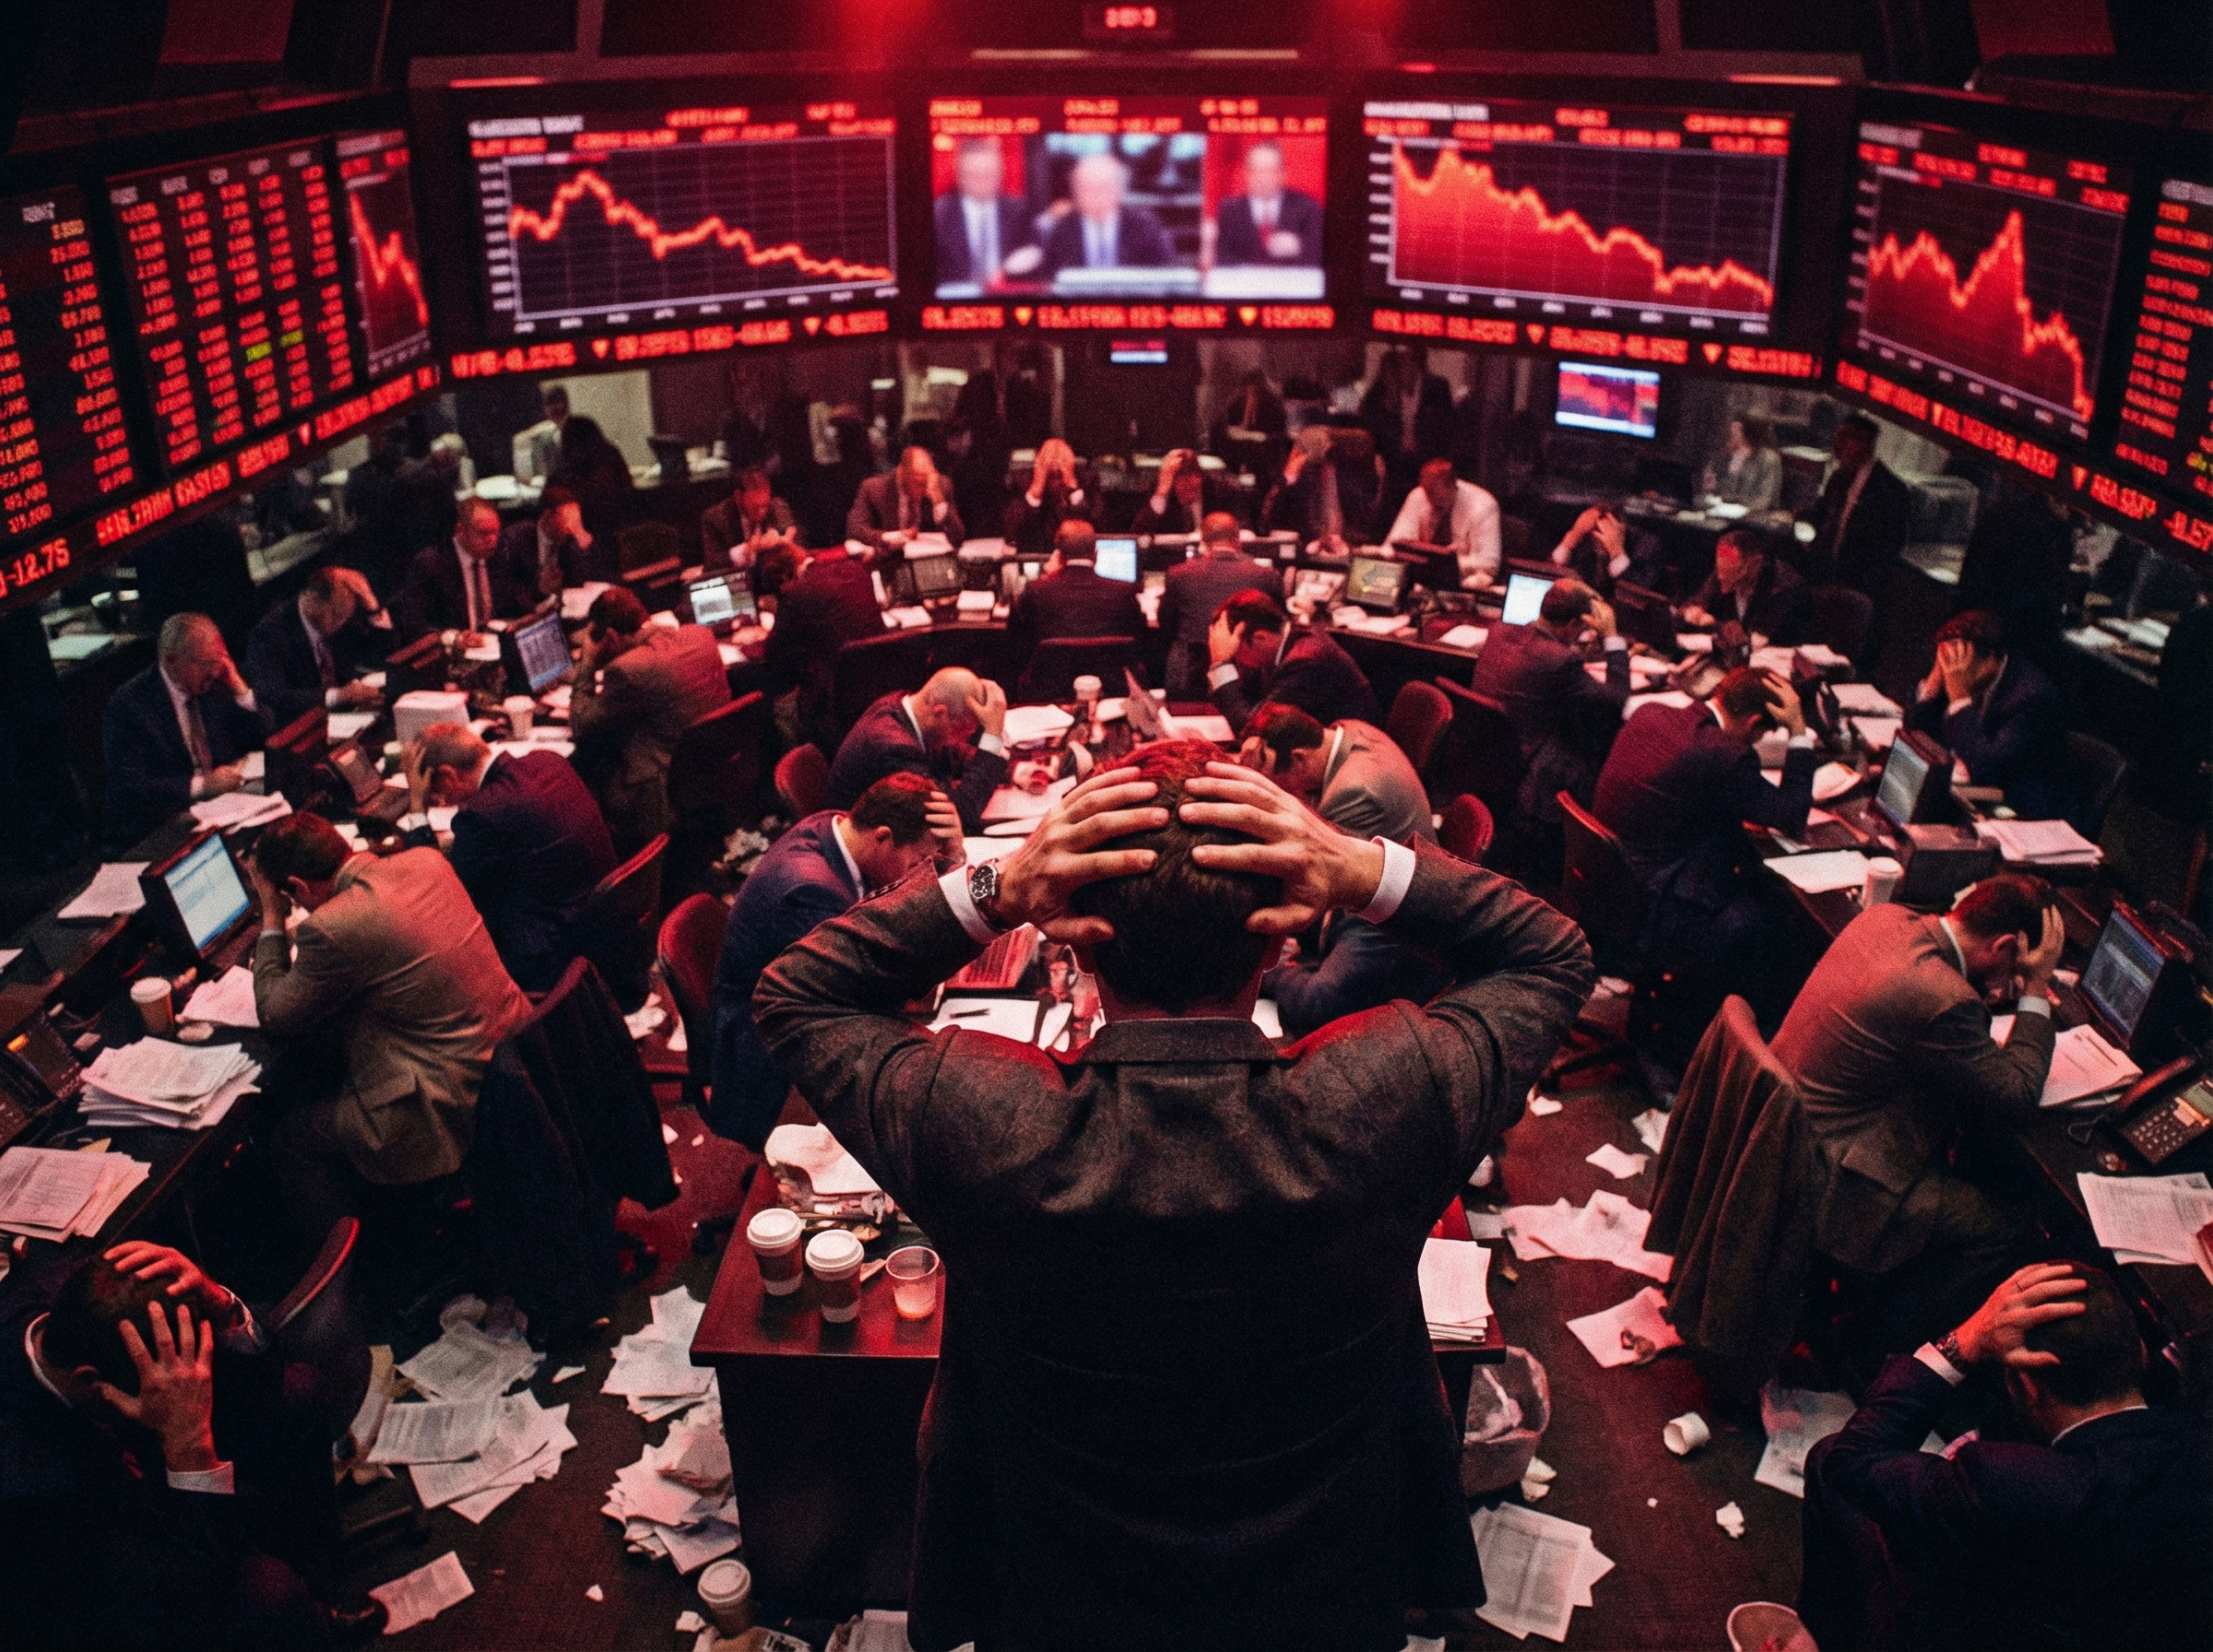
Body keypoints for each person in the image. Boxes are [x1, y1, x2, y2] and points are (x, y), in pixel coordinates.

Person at [751, 747, 1595, 1651]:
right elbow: (1552, 953)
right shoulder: (1393, 1093)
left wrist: (995, 885)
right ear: (1278, 938)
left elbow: (797, 991)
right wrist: (1360, 865)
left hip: (1063, 1586)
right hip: (1322, 1584)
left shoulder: (977, 1116)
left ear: (1070, 937)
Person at [1798, 1263, 2210, 1652]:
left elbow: (1853, 1462)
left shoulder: (2002, 1481)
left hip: (1986, 1632)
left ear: (2027, 1386)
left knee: (1826, 1458)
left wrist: (1965, 1342)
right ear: (2139, 1352)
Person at [1, 1240, 385, 1650]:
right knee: (268, 1593)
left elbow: (253, 1376)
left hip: (138, 1473)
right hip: (104, 1585)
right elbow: (178, 1592)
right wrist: (190, 1444)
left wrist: (221, 1305)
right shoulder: (31, 1485)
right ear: (92, 1383)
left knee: (296, 1394)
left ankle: (320, 1582)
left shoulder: (64, 1287)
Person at [1770, 873, 2065, 1344]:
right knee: (2007, 1226)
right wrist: (2036, 987)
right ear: (2006, 944)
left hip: (1788, 1131)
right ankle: (1892, 1346)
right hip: (1830, 1174)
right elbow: (2015, 1095)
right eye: (2019, 963)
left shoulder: (1884, 918)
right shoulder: (1943, 998)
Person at [246, 812, 533, 1244]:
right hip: (515, 1055)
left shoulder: (332, 926)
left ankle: (345, 1281)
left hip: (446, 1101)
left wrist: (271, 917)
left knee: (289, 1135)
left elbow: (275, 1015)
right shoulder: (427, 861)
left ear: (298, 888)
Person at [706, 773, 957, 1148]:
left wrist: (954, 856)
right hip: (768, 1062)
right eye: (921, 861)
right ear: (883, 837)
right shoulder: (810, 893)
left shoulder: (838, 827)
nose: (924, 872)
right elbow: (885, 988)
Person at [1592, 667, 1817, 1016]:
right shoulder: (1724, 753)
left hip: (1607, 885)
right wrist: (1799, 732)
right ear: (1754, 721)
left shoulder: (1650, 712)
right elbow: (1792, 815)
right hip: (1653, 905)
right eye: (1761, 734)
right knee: (1776, 920)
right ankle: (1706, 1029)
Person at [397, 723, 616, 993]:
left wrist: (418, 809)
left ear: (448, 775)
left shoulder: (481, 816)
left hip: (549, 955)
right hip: (601, 931)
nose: (441, 802)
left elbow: (439, 889)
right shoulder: (548, 760)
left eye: (436, 794)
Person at [567, 587, 731, 850]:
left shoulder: (628, 669)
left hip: (655, 793)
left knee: (578, 769)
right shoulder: (700, 635)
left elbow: (581, 727)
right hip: (714, 773)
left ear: (610, 635)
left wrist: (587, 664)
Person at [101, 613, 274, 853]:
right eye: (207, 663)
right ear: (172, 660)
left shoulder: (214, 685)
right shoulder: (130, 707)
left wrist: (240, 688)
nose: (216, 672)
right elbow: (132, 787)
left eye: (219, 660)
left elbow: (265, 733)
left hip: (224, 809)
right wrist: (203, 785)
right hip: (165, 823)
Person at [1468, 578, 1631, 825]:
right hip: (1533, 771)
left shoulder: (1498, 631)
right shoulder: (1560, 661)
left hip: (1483, 758)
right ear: (1574, 624)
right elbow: (1616, 699)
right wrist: (1611, 637)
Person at [1905, 608, 2068, 820]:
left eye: (1960, 661)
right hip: (1964, 793)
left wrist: (1959, 698)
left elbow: (1986, 768)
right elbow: (1914, 736)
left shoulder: (2032, 697)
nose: (1953, 670)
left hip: (2013, 811)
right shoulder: (1957, 671)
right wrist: (1934, 683)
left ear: (1991, 658)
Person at [822, 667, 1012, 836]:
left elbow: (952, 751)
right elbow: (960, 814)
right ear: (940, 713)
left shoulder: (904, 706)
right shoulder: (895, 749)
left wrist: (1016, 771)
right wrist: (992, 737)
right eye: (964, 729)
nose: (964, 738)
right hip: (862, 850)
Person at [1237, 701, 1436, 846]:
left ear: (1299, 759)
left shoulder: (1352, 793)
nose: (1263, 779)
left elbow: (1320, 864)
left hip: (1414, 896)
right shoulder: (1349, 728)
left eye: (1263, 770)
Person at [763, 542, 890, 749]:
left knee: (779, 707)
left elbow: (776, 658)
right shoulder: (856, 569)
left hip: (832, 709)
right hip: (880, 694)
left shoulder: (795, 593)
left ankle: (805, 775)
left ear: (783, 577)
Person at [1206, 588, 1379, 729]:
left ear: (1260, 638)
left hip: (1351, 759)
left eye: (1234, 653)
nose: (1236, 662)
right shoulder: (1282, 644)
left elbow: (1252, 731)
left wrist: (1221, 665)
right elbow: (1245, 704)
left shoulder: (1307, 663)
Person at [242, 566, 391, 726]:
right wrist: (337, 696)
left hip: (353, 719)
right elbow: (273, 698)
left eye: (345, 617)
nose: (340, 624)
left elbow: (385, 655)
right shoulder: (268, 635)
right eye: (336, 615)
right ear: (312, 598)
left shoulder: (342, 609)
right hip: (307, 728)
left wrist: (372, 605)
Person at [1005, 521, 1146, 684]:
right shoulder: (1124, 592)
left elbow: (1017, 642)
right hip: (1113, 688)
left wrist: (1045, 576)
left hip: (1050, 687)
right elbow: (1139, 639)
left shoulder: (1036, 590)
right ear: (1096, 554)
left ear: (1059, 555)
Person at [1158, 512, 1278, 697]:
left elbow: (1166, 626)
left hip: (1188, 682)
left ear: (1203, 543)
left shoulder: (1178, 574)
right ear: (1238, 541)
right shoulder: (1267, 576)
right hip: (1247, 680)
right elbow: (1277, 629)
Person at [392, 496, 535, 642]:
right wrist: (454, 638)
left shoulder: (499, 554)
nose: (492, 540)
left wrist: (538, 598)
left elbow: (512, 600)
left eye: (496, 532)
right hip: (454, 652)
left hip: (492, 643)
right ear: (460, 530)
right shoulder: (431, 564)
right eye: (483, 533)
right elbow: (413, 623)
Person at [1802, 414, 1911, 596]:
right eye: (1838, 436)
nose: (1838, 443)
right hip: (1823, 575)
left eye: (1847, 437)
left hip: (1859, 585)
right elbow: (1821, 516)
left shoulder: (1891, 488)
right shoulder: (1838, 477)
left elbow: (1891, 545)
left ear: (1867, 443)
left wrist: (1867, 584)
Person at [1039, 152, 1175, 277]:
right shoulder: (1062, 229)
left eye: (1103, 187)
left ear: (1119, 190)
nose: (1095, 195)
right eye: (1086, 188)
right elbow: (1049, 277)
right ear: (1075, 192)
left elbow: (1165, 271)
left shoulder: (1144, 225)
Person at [933, 137, 1044, 289]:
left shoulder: (1019, 211)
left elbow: (1036, 251)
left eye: (989, 174)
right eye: (974, 175)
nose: (983, 181)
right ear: (959, 177)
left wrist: (1016, 265)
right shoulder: (939, 215)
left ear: (1001, 173)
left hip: (1004, 297)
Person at [1383, 457, 1501, 588]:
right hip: (1419, 581)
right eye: (1428, 494)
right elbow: (1392, 545)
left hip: (1462, 584)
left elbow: (1489, 565)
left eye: (1440, 498)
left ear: (1453, 486)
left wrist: (1442, 564)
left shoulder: (1483, 505)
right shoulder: (1419, 495)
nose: (1433, 502)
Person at [1679, 528, 1810, 645]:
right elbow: (1695, 603)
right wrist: (1694, 610)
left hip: (1778, 656)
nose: (1721, 579)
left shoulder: (1784, 587)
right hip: (1730, 652)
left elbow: (1759, 640)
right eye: (1720, 570)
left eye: (1735, 573)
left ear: (1757, 562)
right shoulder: (1726, 570)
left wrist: (1717, 626)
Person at [1262, 425, 1385, 548]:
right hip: (1309, 547)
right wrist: (1287, 479)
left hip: (1346, 546)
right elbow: (1268, 520)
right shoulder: (1302, 479)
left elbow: (1369, 522)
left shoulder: (1353, 475)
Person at [1360, 347, 1454, 497]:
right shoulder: (1380, 392)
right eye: (1398, 364)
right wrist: (1389, 404)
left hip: (1426, 461)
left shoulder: (1436, 388)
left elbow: (1446, 429)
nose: (1402, 370)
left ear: (1417, 364)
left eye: (1407, 362)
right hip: (1394, 464)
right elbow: (1371, 429)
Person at [1212, 141, 1322, 266]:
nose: (1263, 178)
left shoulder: (1307, 207)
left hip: (1292, 283)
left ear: (1283, 173)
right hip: (1246, 283)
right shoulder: (1230, 210)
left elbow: (1321, 255)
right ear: (1246, 173)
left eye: (1270, 171)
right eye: (1257, 170)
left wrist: (1300, 246)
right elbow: (1223, 259)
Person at [501, 485, 614, 602]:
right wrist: (541, 590)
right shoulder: (516, 539)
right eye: (567, 519)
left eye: (576, 517)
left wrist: (584, 546)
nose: (572, 527)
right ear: (548, 516)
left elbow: (593, 583)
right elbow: (511, 592)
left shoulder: (572, 541)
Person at [848, 445, 965, 549]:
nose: (925, 489)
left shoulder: (939, 485)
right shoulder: (873, 488)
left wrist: (937, 498)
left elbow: (957, 538)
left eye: (928, 481)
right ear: (901, 473)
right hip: (891, 558)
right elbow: (854, 529)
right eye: (919, 482)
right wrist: (892, 536)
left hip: (929, 556)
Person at [1001, 438, 1094, 558]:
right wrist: (1036, 490)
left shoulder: (1085, 482)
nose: (1055, 480)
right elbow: (1011, 533)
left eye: (1059, 474)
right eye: (1050, 474)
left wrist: (1072, 488)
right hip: (1033, 556)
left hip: (1072, 558)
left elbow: (1093, 526)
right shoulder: (1022, 484)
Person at [545, 414, 633, 536]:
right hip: (619, 530)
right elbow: (628, 486)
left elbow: (547, 503)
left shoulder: (565, 473)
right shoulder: (610, 456)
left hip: (579, 537)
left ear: (566, 441)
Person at [699, 467, 799, 572]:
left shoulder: (778, 507)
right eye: (755, 507)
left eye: (765, 505)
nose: (761, 512)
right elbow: (712, 564)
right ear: (738, 497)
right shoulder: (715, 517)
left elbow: (800, 545)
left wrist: (786, 542)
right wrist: (748, 549)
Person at [1705, 410, 1781, 512]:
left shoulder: (1769, 459)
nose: (1733, 432)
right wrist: (1710, 486)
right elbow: (1716, 492)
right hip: (1723, 511)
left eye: (1738, 429)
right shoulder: (1726, 456)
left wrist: (1738, 509)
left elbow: (1764, 500)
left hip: (1752, 515)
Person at [1143, 447, 1223, 537]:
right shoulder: (1162, 493)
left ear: (1199, 477)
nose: (1188, 491)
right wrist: (1161, 492)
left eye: (1192, 487)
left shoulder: (1218, 491)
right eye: (1183, 487)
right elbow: (1143, 531)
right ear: (1173, 483)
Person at [512, 384, 569, 483]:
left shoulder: (578, 431)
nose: (558, 407)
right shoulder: (525, 439)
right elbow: (524, 479)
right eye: (551, 403)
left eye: (560, 402)